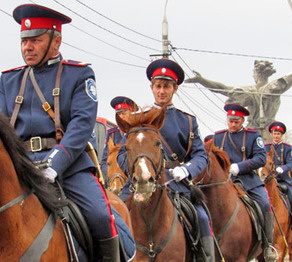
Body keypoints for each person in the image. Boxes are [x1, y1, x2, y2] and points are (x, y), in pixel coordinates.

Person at [0, 4, 129, 261]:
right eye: (24, 41)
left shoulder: (78, 74)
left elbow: (81, 125)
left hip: (67, 167)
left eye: (36, 40)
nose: (27, 47)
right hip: (19, 166)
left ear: (56, 42)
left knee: (101, 217)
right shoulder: (8, 80)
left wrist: (55, 164)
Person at [117, 58, 215, 261]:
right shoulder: (138, 118)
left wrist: (186, 170)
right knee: (113, 217)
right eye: (158, 86)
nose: (162, 91)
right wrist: (135, 171)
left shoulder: (187, 120)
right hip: (139, 183)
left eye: (167, 86)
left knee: (202, 218)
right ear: (152, 88)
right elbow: (121, 154)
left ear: (175, 89)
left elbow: (200, 155)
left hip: (177, 185)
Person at [184, 44, 292, 129]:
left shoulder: (251, 91)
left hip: (254, 132)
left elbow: (222, 88)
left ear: (257, 73)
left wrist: (202, 80)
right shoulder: (274, 87)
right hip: (266, 131)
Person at [212, 103, 277, 262]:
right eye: (230, 121)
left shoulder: (253, 136)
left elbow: (261, 158)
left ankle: (268, 245)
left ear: (243, 121)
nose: (233, 124)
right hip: (224, 182)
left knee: (264, 203)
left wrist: (239, 167)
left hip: (248, 181)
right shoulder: (219, 137)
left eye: (237, 121)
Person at [264, 121, 292, 238]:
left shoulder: (287, 148)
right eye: (275, 133)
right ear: (271, 134)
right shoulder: (265, 148)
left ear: (281, 135)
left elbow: (291, 163)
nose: (276, 135)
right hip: (267, 180)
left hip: (283, 180)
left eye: (278, 134)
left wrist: (282, 169)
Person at [100, 96, 137, 178]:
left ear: (131, 113)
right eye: (118, 114)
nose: (121, 117)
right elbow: (104, 161)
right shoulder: (112, 133)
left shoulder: (138, 133)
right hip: (115, 179)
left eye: (124, 113)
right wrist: (112, 176)